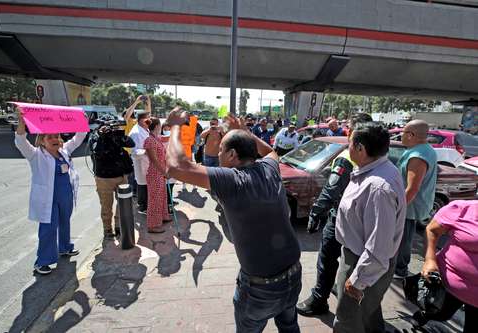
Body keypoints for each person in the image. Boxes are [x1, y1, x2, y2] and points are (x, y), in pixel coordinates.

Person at [166, 109, 302, 333]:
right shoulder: (268, 169)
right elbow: (271, 152)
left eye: (221, 150)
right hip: (293, 276)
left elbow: (177, 167)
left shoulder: (231, 180)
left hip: (260, 289)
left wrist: (175, 127)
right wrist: (244, 131)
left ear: (231, 156)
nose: (218, 155)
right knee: (289, 326)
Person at [296, 113, 372, 317]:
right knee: (353, 260)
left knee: (328, 257)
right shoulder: (377, 155)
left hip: (341, 217)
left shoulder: (347, 156)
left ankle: (319, 300)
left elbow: (331, 190)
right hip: (364, 219)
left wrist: (315, 212)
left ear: (351, 132)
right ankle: (348, 293)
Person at [333, 123, 406, 333]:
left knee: (348, 319)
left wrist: (357, 281)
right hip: (361, 257)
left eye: (349, 143)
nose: (347, 148)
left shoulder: (377, 188)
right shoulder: (378, 170)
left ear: (360, 149)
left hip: (363, 263)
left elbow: (378, 246)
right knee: (367, 313)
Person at [14, 111, 87, 275]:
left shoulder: (64, 151)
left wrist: (81, 120)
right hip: (48, 199)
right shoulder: (36, 155)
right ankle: (43, 261)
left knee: (65, 222)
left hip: (66, 196)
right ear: (42, 141)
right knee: (48, 228)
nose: (54, 140)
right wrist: (21, 121)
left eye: (56, 137)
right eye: (50, 137)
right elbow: (20, 141)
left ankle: (65, 247)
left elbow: (79, 137)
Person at [413, 200, 478, 332]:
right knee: (438, 314)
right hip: (449, 284)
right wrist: (430, 259)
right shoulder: (461, 209)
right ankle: (421, 318)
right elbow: (432, 230)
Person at [394, 119, 437, 279]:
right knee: (403, 237)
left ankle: (400, 270)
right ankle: (399, 268)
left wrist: (397, 209)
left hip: (409, 208)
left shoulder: (418, 156)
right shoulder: (422, 149)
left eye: (403, 132)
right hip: (412, 206)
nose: (400, 136)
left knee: (403, 238)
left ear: (411, 135)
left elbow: (412, 189)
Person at [89, 123, 135, 239]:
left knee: (122, 205)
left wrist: (120, 134)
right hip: (104, 178)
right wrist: (102, 136)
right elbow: (97, 152)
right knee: (106, 206)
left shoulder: (116, 135)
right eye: (107, 127)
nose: (110, 130)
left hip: (121, 176)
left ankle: (119, 226)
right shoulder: (95, 136)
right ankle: (107, 230)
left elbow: (131, 143)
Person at [144, 117, 171, 233]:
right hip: (155, 173)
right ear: (156, 126)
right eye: (160, 125)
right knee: (155, 199)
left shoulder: (156, 138)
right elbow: (154, 160)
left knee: (162, 196)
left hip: (159, 172)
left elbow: (165, 138)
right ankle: (153, 225)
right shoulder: (150, 140)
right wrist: (164, 172)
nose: (161, 127)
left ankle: (163, 217)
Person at [123, 95, 150, 195]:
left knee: (137, 174)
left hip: (138, 151)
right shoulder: (125, 122)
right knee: (131, 173)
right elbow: (127, 115)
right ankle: (132, 192)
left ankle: (136, 192)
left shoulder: (136, 122)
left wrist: (148, 102)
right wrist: (136, 102)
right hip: (128, 152)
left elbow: (148, 115)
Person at [128, 111, 151, 214]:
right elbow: (134, 152)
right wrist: (147, 151)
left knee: (146, 185)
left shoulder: (145, 128)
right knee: (142, 185)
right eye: (148, 118)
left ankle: (146, 205)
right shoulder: (136, 132)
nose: (150, 120)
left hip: (147, 162)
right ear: (142, 120)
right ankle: (143, 207)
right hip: (141, 162)